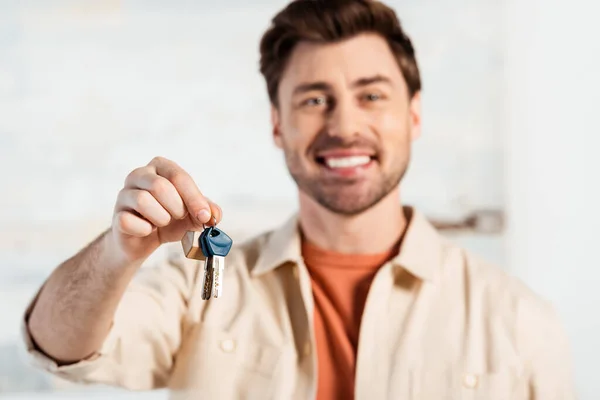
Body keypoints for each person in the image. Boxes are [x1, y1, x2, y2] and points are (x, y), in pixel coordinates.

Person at [21, 0, 576, 399]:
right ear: (278, 125)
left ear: (413, 114)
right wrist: (118, 253)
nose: (345, 125)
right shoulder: (198, 289)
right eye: (314, 99)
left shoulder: (520, 321)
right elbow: (58, 347)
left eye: (372, 95)